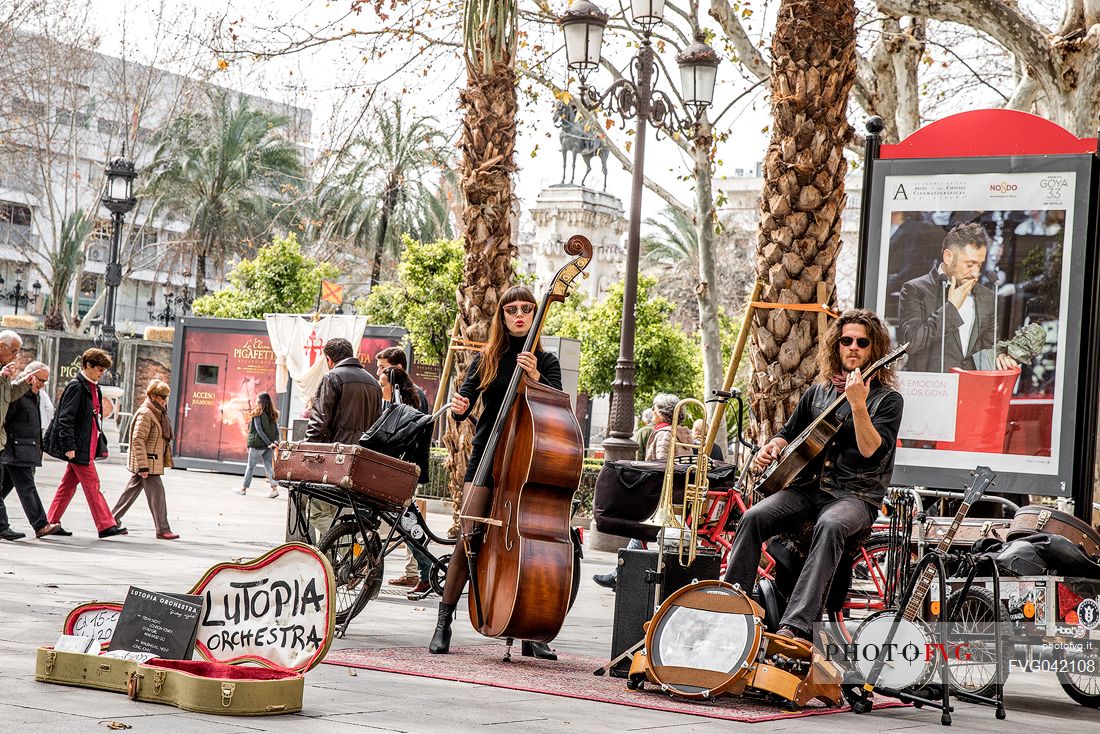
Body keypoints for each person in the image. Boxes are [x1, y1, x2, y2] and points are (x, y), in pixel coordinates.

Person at [723, 309, 904, 640]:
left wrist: (859, 405)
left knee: (831, 524)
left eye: (862, 342)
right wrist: (773, 446)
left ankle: (797, 624)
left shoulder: (887, 400)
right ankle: (732, 607)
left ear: (874, 348)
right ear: (836, 345)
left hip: (855, 496)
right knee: (753, 517)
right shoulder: (817, 392)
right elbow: (788, 434)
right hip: (806, 490)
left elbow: (871, 451)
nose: (853, 347)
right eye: (846, 341)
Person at [429, 286, 563, 659]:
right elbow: (462, 405)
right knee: (468, 536)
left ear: (536, 313)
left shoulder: (545, 361)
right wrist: (459, 404)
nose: (519, 315)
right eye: (511, 310)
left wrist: (535, 377)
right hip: (487, 456)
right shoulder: (487, 358)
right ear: (502, 317)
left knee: (530, 546)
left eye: (526, 309)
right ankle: (444, 621)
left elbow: (555, 406)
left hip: (526, 465)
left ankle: (530, 630)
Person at [592, 393, 690, 591]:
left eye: (655, 408)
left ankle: (621, 575)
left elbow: (663, 466)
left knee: (639, 528)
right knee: (639, 533)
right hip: (670, 494)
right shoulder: (677, 432)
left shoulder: (664, 434)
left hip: (661, 494)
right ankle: (620, 575)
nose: (652, 412)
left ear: (662, 413)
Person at [898, 223, 1017, 373]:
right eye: (970, 264)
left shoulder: (986, 296)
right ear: (948, 256)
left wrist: (999, 358)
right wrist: (951, 307)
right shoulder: (915, 289)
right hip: (933, 389)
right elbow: (911, 343)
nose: (976, 273)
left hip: (973, 388)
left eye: (980, 265)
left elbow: (989, 348)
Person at [303, 338, 383, 541]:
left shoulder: (332, 377)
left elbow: (319, 421)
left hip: (334, 459)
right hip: (362, 461)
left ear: (329, 359)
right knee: (345, 512)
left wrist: (306, 451)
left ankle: (349, 543)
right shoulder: (374, 383)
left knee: (318, 512)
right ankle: (335, 565)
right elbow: (377, 425)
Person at [45, 348, 127, 539]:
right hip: (79, 447)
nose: (102, 373)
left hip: (86, 445)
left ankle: (50, 522)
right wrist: (69, 446)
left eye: (104, 370)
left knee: (68, 485)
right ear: (87, 365)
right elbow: (65, 419)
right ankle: (106, 525)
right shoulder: (77, 386)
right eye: (99, 369)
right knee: (92, 484)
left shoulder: (94, 387)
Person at [376, 346, 432, 593]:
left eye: (382, 367)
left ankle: (426, 569)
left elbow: (404, 434)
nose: (378, 372)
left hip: (404, 468)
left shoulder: (412, 395)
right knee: (404, 518)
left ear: (397, 368)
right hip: (397, 467)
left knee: (406, 519)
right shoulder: (396, 392)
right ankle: (425, 569)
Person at [0, 361, 61, 540]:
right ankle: (41, 525)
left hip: (26, 449)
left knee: (5, 487)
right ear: (30, 375)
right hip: (14, 449)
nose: (42, 385)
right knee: (27, 487)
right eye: (40, 380)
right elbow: (5, 419)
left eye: (45, 382)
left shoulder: (35, 395)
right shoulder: (16, 393)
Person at [111, 380, 178, 539]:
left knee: (129, 494)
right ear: (153, 396)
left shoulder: (157, 412)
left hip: (150, 462)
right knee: (158, 495)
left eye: (166, 396)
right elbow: (137, 440)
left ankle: (110, 521)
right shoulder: (146, 413)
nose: (165, 399)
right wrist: (143, 466)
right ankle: (162, 529)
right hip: (147, 463)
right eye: (162, 396)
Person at [236, 392, 281, 498]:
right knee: (269, 466)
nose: (256, 400)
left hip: (257, 445)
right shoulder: (273, 414)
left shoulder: (257, 413)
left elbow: (259, 430)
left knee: (250, 467)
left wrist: (269, 443)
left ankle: (243, 489)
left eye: (257, 399)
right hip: (268, 446)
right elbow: (276, 431)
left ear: (261, 401)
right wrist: (274, 442)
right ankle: (274, 490)